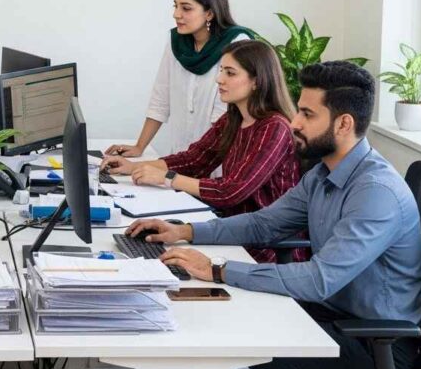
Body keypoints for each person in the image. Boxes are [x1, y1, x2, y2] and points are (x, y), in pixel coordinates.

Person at [125, 61, 421, 369]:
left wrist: (216, 270)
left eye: (308, 115)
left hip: (373, 342)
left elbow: (319, 280)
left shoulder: (375, 193)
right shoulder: (323, 174)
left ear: (343, 124)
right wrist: (184, 231)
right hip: (325, 315)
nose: (294, 123)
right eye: (299, 111)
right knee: (216, 332)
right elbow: (263, 224)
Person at [103, 40, 303, 263]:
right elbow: (194, 159)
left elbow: (231, 191)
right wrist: (135, 167)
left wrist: (168, 178)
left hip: (264, 247)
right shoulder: (233, 118)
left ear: (256, 81)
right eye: (221, 71)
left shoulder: (274, 128)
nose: (219, 79)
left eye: (230, 73)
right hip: (229, 231)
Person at [105, 0, 256, 159]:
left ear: (209, 12)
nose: (176, 14)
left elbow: (223, 117)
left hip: (218, 160)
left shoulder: (236, 43)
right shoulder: (176, 42)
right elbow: (161, 98)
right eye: (175, 6)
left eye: (186, 8)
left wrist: (189, 165)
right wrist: (139, 147)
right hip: (181, 157)